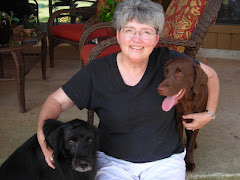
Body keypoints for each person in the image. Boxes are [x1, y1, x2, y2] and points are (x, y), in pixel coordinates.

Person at [37, 0, 220, 179]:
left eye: (146, 32)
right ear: (118, 35)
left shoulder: (169, 61)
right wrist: (42, 137)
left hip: (165, 162)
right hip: (112, 162)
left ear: (156, 38)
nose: (137, 39)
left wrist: (209, 114)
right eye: (129, 30)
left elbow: (210, 76)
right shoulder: (98, 71)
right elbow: (56, 101)